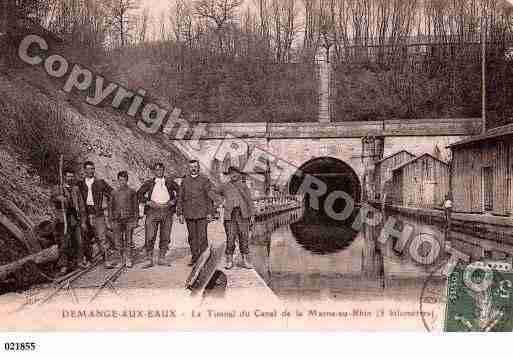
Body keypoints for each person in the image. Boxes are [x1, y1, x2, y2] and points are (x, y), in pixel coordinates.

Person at [137, 162, 179, 268]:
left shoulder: (169, 182)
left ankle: (162, 258)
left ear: (163, 170)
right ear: (154, 171)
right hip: (152, 211)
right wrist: (147, 202)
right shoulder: (149, 183)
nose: (159, 171)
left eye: (160, 169)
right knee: (150, 236)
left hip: (167, 211)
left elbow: (181, 191)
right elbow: (139, 193)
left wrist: (173, 202)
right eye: (157, 170)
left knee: (165, 235)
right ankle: (149, 259)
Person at [214, 166, 255, 270]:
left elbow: (249, 201)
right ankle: (229, 261)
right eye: (231, 173)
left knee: (244, 238)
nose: (234, 175)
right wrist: (221, 201)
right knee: (230, 238)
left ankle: (245, 261)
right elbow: (212, 192)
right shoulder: (224, 186)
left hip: (243, 215)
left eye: (235, 173)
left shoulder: (244, 186)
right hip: (230, 215)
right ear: (229, 175)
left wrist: (252, 215)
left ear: (239, 174)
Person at [177, 160, 215, 267]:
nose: (193, 168)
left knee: (202, 237)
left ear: (199, 168)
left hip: (202, 214)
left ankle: (204, 258)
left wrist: (210, 212)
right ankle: (195, 257)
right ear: (189, 168)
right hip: (189, 214)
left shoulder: (204, 180)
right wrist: (180, 213)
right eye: (191, 167)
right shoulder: (185, 181)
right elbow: (180, 197)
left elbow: (209, 198)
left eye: (195, 166)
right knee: (192, 237)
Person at [50, 168, 87, 274]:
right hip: (63, 220)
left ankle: (79, 261)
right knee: (64, 243)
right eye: (68, 176)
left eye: (72, 176)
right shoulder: (58, 188)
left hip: (75, 219)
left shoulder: (76, 189)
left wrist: (83, 220)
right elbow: (53, 197)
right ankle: (63, 265)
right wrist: (59, 198)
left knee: (79, 242)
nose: (70, 178)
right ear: (64, 177)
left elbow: (81, 205)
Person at [77, 161, 113, 267]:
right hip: (85, 213)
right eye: (88, 169)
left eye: (92, 169)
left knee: (101, 237)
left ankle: (106, 260)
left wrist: (109, 207)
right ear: (84, 170)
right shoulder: (79, 184)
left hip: (98, 213)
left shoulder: (100, 182)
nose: (90, 171)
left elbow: (112, 193)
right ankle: (89, 259)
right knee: (86, 237)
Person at [108, 171, 139, 268]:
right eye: (120, 180)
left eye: (124, 180)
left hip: (129, 219)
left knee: (129, 240)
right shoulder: (114, 192)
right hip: (117, 219)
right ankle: (120, 259)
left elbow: (136, 207)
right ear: (118, 180)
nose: (122, 182)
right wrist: (110, 220)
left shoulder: (131, 192)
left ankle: (128, 258)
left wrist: (136, 220)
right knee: (118, 240)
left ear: (127, 180)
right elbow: (110, 208)